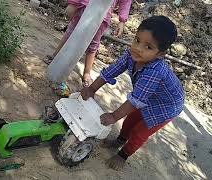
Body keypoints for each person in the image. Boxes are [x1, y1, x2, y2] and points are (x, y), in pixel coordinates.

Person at [80, 16, 185, 171]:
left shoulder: (155, 71)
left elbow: (135, 100)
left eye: (148, 47)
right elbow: (111, 71)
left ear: (160, 54)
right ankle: (120, 139)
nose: (138, 48)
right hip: (147, 96)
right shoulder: (131, 54)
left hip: (166, 106)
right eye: (137, 40)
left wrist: (114, 116)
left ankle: (123, 155)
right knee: (130, 121)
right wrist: (92, 89)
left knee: (140, 131)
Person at [44, 0, 133, 87]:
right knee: (70, 33)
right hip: (84, 7)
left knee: (93, 45)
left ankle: (87, 72)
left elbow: (126, 1)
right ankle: (55, 56)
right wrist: (74, 3)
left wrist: (122, 21)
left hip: (102, 17)